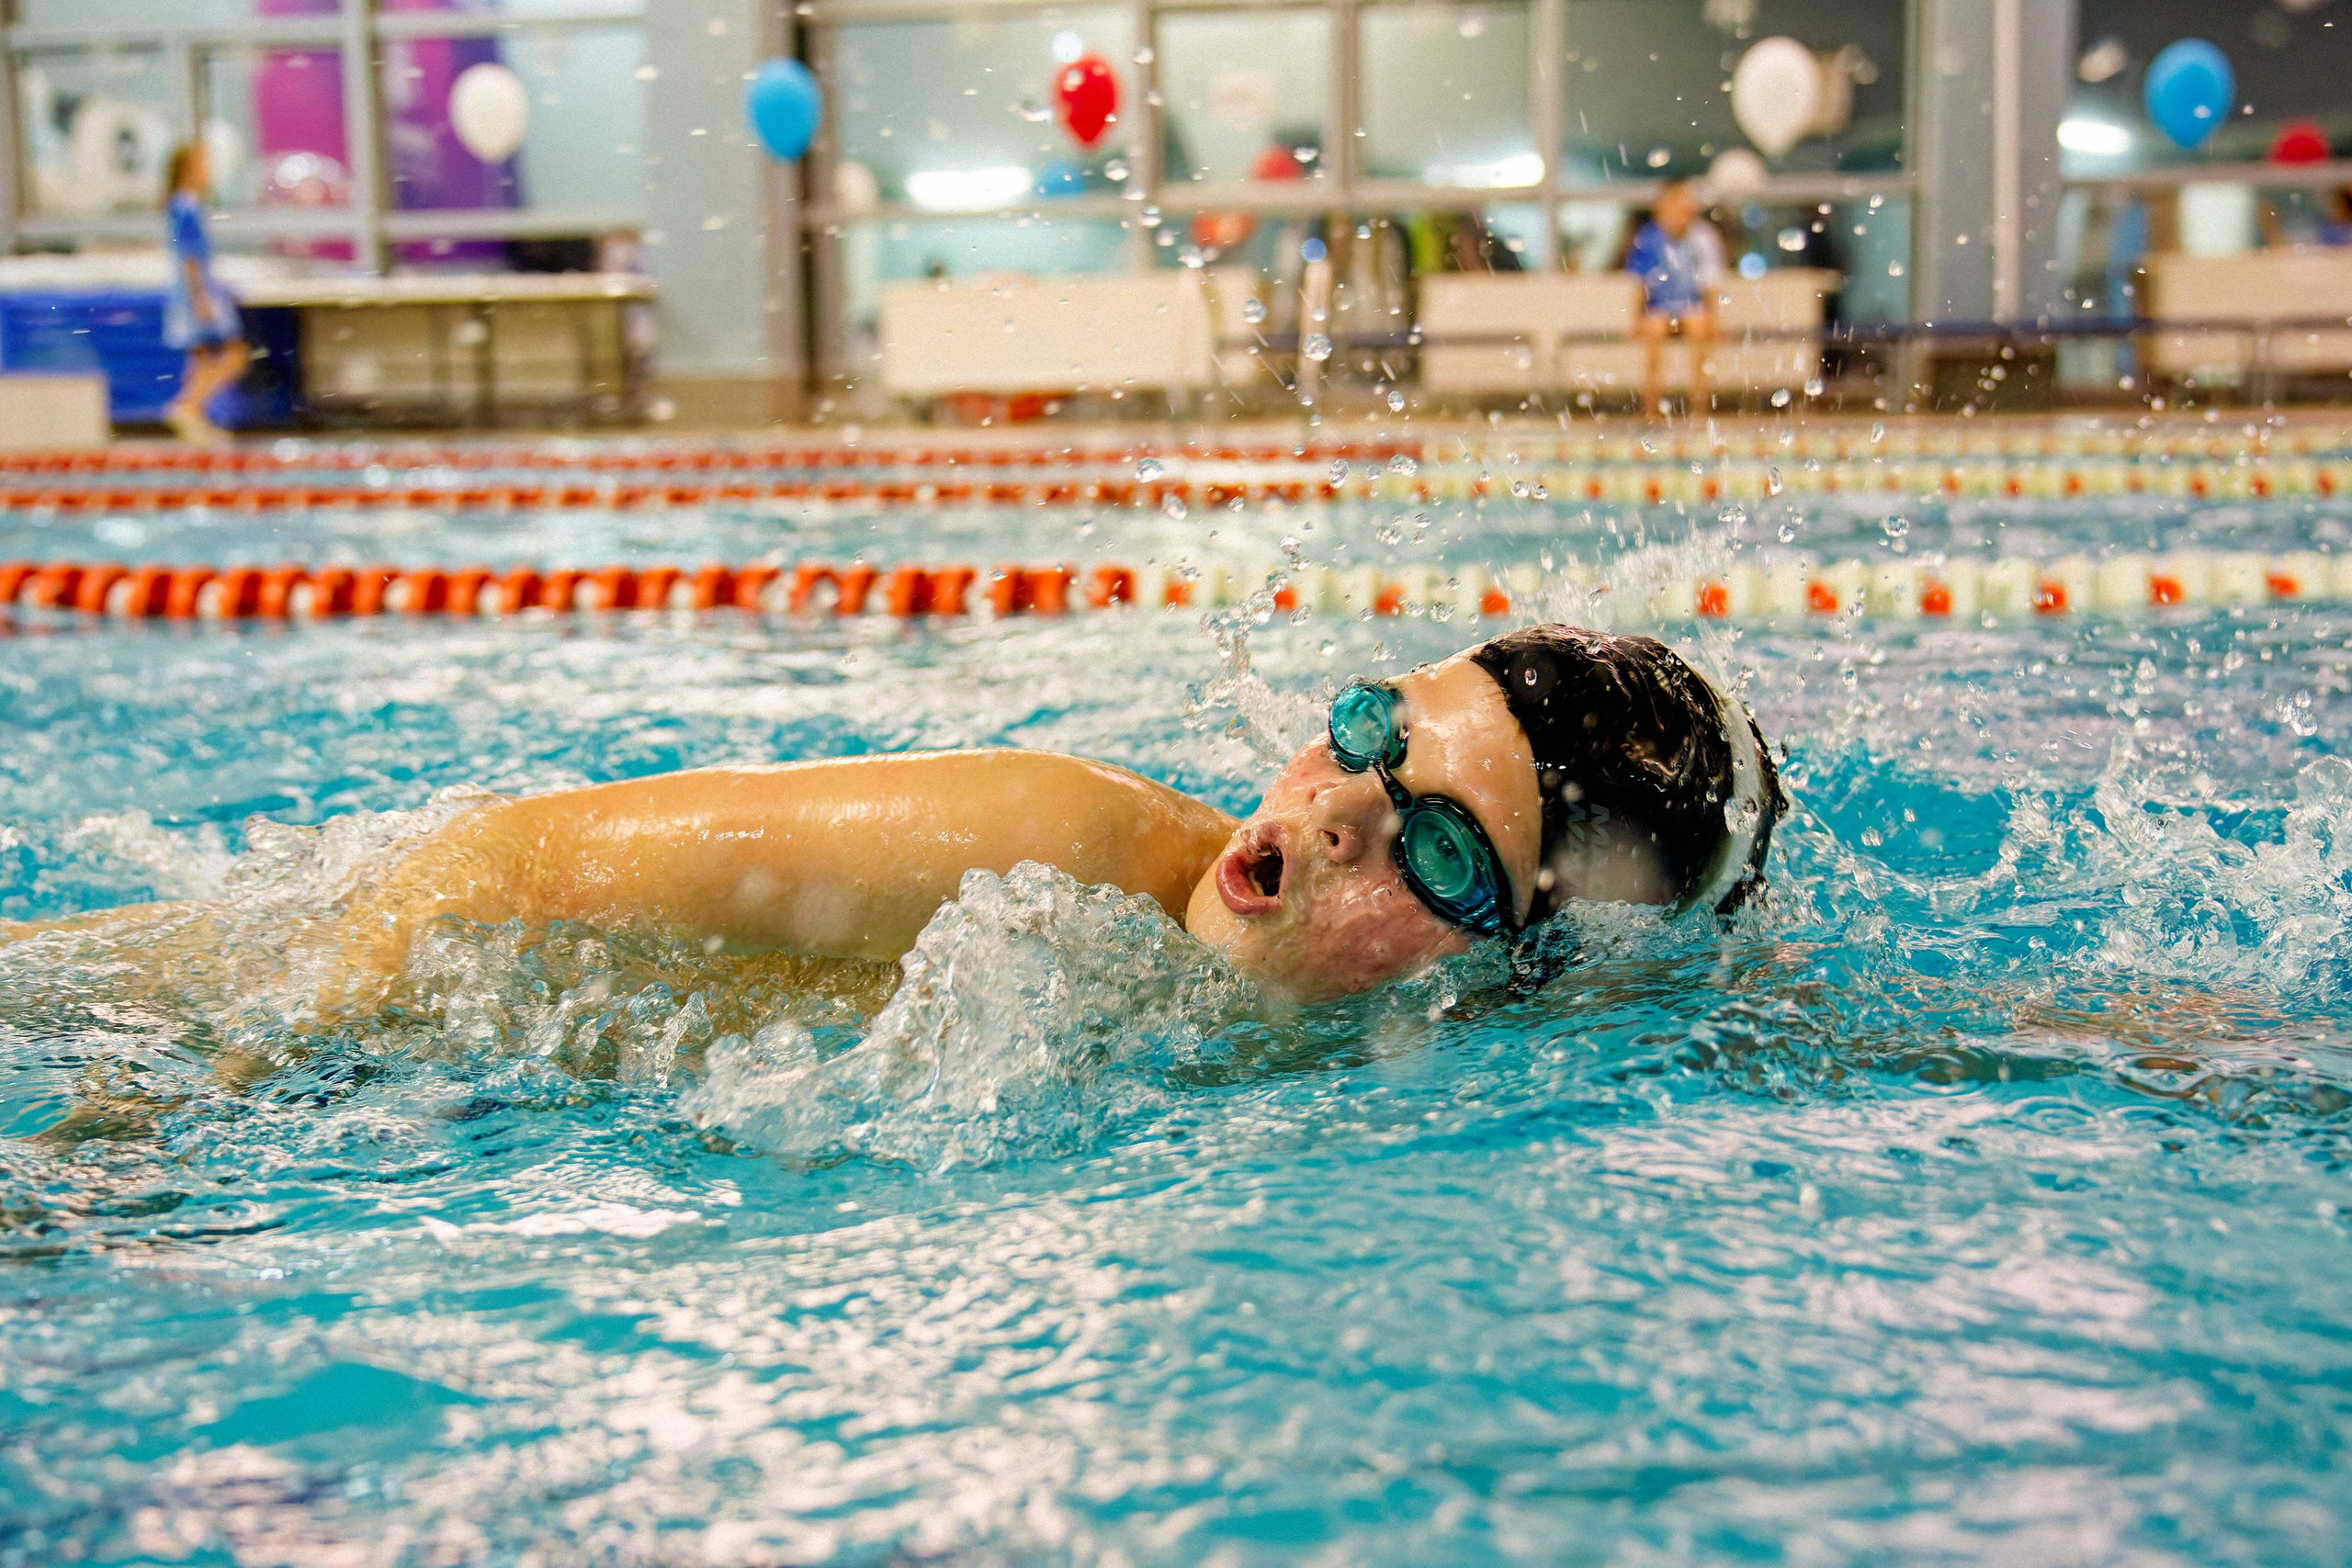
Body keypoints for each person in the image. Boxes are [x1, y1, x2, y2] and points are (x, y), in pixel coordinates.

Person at [7, 626, 1785, 1013]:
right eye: (1366, 739)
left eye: (1443, 853)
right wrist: (164, 1117)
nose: (1331, 815)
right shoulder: (1050, 844)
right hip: (255, 994)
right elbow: (483, 877)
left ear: (1544, 971)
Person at [160, 141, 249, 446]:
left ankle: (196, 418)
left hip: (192, 291)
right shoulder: (186, 207)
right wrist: (200, 299)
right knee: (235, 355)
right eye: (204, 165)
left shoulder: (181, 205)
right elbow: (190, 257)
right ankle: (188, 406)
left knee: (199, 360)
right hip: (198, 292)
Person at [1625, 178, 1726, 418]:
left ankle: (1698, 407)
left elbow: (1709, 286)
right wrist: (1636, 318)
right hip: (1660, 307)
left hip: (1692, 307)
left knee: (1700, 326)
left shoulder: (1703, 239)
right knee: (1654, 330)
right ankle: (1651, 407)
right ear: (1661, 209)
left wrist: (1715, 319)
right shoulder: (1649, 239)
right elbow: (1640, 286)